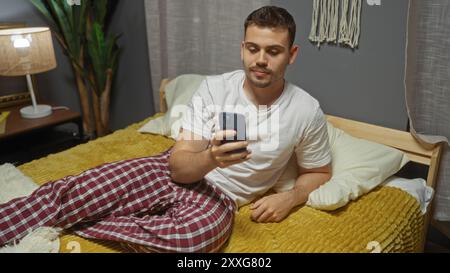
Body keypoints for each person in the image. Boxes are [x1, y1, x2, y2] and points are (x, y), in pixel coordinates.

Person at [0, 6, 331, 253]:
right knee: (81, 190)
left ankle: (80, 224)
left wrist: (291, 197)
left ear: (292, 55)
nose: (260, 59)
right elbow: (178, 164)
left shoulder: (306, 110)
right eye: (253, 48)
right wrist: (212, 158)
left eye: (273, 51)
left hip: (222, 198)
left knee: (197, 243)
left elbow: (318, 170)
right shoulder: (215, 89)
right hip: (174, 170)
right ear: (242, 48)